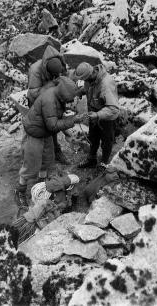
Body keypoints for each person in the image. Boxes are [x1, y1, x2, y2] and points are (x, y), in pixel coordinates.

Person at [15, 76, 86, 212]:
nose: (69, 101)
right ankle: (20, 191)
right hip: (35, 132)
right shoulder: (49, 100)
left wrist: (69, 129)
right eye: (68, 99)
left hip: (45, 131)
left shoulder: (57, 96)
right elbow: (53, 125)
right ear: (63, 94)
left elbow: (55, 119)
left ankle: (41, 185)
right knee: (31, 164)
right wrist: (73, 120)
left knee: (47, 160)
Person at [27, 45, 69, 164]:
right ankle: (41, 155)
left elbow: (65, 78)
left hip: (51, 98)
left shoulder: (61, 63)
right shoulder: (35, 69)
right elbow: (34, 93)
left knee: (53, 126)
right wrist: (51, 84)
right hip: (36, 101)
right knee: (42, 129)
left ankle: (56, 151)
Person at [73, 62, 120, 168]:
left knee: (107, 142)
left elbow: (113, 108)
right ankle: (91, 160)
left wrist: (98, 115)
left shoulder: (106, 84)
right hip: (94, 114)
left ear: (93, 72)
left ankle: (104, 163)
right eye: (84, 80)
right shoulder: (90, 79)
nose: (85, 82)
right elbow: (88, 88)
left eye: (86, 79)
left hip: (108, 117)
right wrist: (80, 92)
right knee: (93, 138)